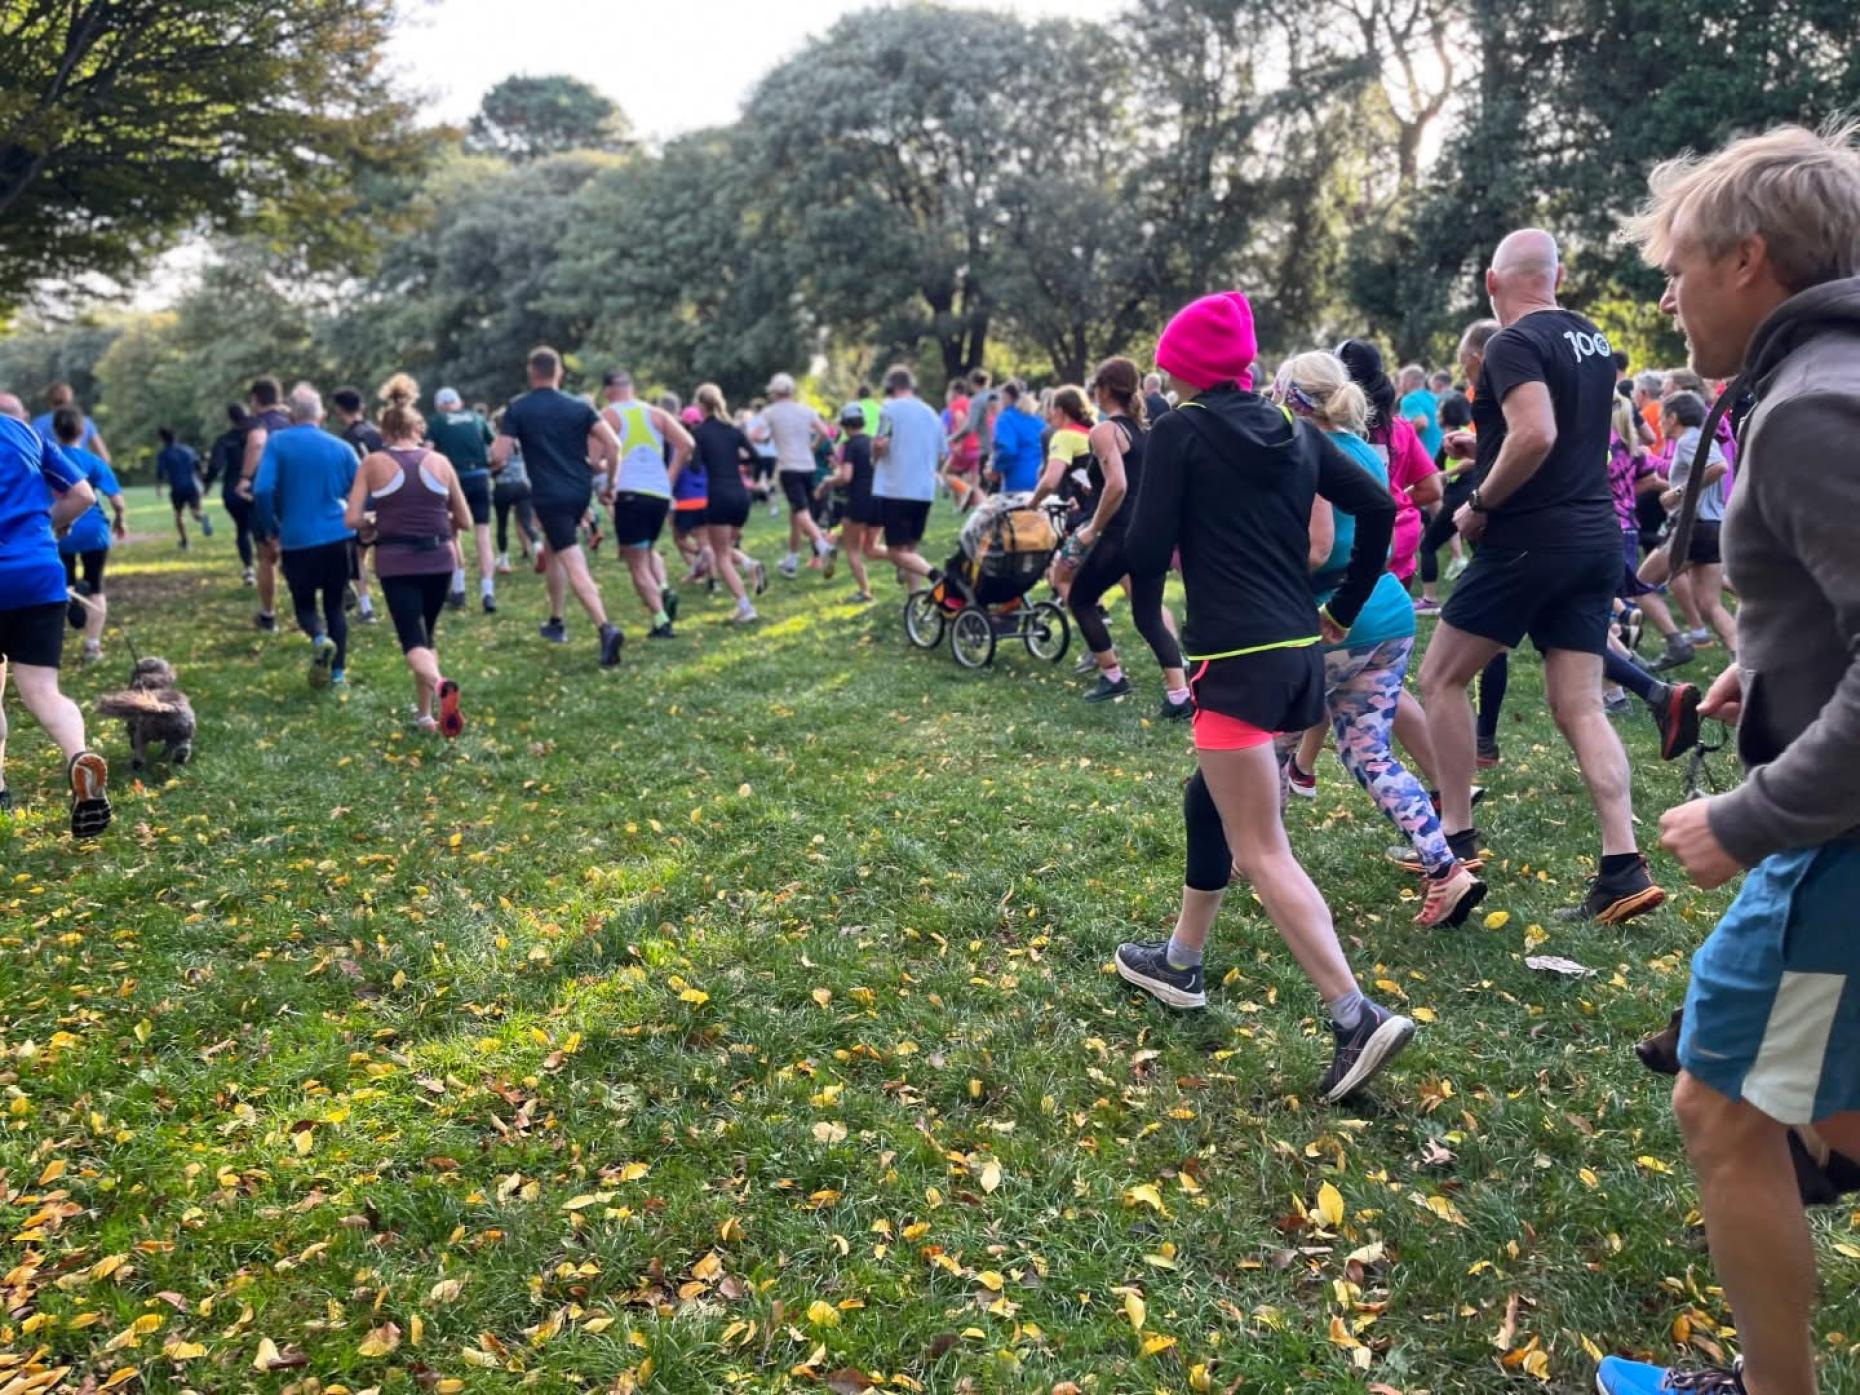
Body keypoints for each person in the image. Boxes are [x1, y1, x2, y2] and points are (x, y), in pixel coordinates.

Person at [1595, 121, 1860, 1395]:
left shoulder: (1814, 408)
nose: (1665, 293)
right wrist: (1774, 656)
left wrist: (1750, 816)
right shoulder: (1835, 381)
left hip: (1832, 846)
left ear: (1749, 260)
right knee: (1806, 1098)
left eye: (1679, 265)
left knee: (1725, 1106)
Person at [1113, 290, 1414, 1104]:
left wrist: (1150, 606)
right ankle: (1180, 960)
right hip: (1295, 660)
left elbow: (1143, 543)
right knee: (1207, 799)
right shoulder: (1296, 432)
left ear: (1188, 373)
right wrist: (1343, 609)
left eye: (1170, 371)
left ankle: (1355, 1015)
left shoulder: (1178, 432)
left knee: (1262, 847)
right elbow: (1381, 508)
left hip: (1234, 662)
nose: (1166, 384)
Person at [1417, 229, 1663, 924]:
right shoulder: (1590, 337)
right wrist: (1483, 446)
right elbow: (1562, 430)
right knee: (1579, 704)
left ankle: (1454, 842)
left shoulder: (1509, 342)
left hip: (1529, 538)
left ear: (1492, 283)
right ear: (1557, 276)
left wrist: (1478, 502)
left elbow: (1537, 434)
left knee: (1440, 678)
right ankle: (1624, 865)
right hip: (1594, 538)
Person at [1270, 350, 1486, 926]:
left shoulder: (1308, 452)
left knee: (1270, 742)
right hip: (1386, 613)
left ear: (1292, 398)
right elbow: (1382, 537)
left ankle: (1259, 857)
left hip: (1331, 617)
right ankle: (1447, 869)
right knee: (1369, 753)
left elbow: (1317, 547)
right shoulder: (1366, 449)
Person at [0, 409, 109, 837]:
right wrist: (44, 527)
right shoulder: (22, 431)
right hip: (39, 572)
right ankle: (79, 757)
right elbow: (83, 495)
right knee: (44, 692)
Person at [1062, 358, 1190, 716]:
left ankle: (1113, 675)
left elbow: (1117, 485)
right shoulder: (1145, 429)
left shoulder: (1105, 432)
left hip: (1122, 533)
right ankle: (1179, 696)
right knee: (1147, 615)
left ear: (1103, 390)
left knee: (1081, 597)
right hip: (1153, 533)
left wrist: (1092, 529)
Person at [346, 376, 473, 736]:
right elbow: (463, 518)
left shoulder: (373, 463)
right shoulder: (440, 462)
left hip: (397, 560)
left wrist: (375, 519)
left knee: (412, 641)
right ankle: (425, 716)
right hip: (440, 559)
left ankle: (440, 686)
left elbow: (352, 518)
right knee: (427, 636)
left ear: (383, 430)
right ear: (417, 427)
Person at [490, 346, 625, 667]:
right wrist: (609, 485)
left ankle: (605, 627)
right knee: (553, 549)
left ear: (530, 372)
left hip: (550, 495)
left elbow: (499, 455)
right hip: (579, 491)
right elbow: (614, 444)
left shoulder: (519, 408)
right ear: (559, 372)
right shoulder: (578, 407)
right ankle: (556, 620)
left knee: (572, 559)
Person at [253, 384, 360, 688]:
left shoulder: (278, 443)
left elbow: (261, 489)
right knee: (335, 606)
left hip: (297, 538)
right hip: (338, 535)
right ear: (322, 415)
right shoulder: (341, 447)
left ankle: (319, 637)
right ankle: (338, 674)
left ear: (290, 415)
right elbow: (362, 489)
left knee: (304, 606)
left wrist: (271, 529)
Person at [600, 371, 695, 638]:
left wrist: (608, 482)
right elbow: (687, 443)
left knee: (636, 562)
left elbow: (596, 458)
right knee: (647, 549)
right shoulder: (656, 413)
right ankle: (662, 589)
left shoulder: (608, 416)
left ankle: (661, 620)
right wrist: (669, 476)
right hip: (659, 493)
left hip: (630, 492)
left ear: (608, 390)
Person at [1658, 389, 1737, 653]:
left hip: (1695, 527)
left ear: (1673, 417)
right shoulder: (1701, 438)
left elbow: (1719, 467)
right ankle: (1745, 660)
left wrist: (1677, 492)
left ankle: (1673, 644)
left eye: (1662, 417)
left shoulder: (1689, 440)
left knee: (1641, 584)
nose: (1659, 423)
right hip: (1711, 525)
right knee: (1709, 605)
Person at [51, 407, 125, 664]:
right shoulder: (93, 461)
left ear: (55, 430)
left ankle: (72, 597)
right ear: (82, 431)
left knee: (63, 584)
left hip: (61, 528)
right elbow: (116, 499)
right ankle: (92, 647)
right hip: (94, 529)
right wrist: (121, 520)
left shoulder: (47, 458)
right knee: (96, 586)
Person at [691, 384, 763, 624]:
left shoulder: (700, 433)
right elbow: (756, 456)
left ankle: (745, 607)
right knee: (725, 546)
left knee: (720, 555)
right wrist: (737, 460)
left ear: (702, 406)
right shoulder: (734, 430)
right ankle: (750, 564)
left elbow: (694, 466)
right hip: (741, 495)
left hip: (719, 494)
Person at [870, 365, 946, 588]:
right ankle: (915, 597)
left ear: (890, 388)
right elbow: (942, 451)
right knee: (911, 548)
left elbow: (881, 443)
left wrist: (874, 452)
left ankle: (936, 576)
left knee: (895, 552)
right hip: (924, 490)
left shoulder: (889, 410)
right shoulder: (931, 412)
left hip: (896, 488)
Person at [427, 387, 499, 614]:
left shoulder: (437, 422)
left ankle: (459, 588)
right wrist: (490, 468)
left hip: (454, 482)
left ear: (439, 405)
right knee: (483, 536)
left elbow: (428, 452)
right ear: (459, 402)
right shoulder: (477, 418)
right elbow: (495, 446)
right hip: (480, 477)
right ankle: (488, 592)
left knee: (452, 534)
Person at [761, 373, 839, 579]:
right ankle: (792, 561)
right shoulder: (806, 411)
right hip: (808, 466)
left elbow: (755, 435)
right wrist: (812, 447)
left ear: (774, 392)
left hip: (789, 466)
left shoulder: (771, 412)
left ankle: (823, 546)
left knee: (800, 511)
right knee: (796, 516)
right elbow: (826, 432)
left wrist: (765, 438)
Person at [236, 376, 290, 631]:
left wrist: (245, 478)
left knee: (267, 555)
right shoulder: (294, 420)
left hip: (268, 493)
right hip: (296, 492)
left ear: (256, 400)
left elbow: (257, 442)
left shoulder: (260, 423)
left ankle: (268, 615)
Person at [327, 387, 383, 625]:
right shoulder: (378, 433)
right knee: (385, 550)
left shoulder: (344, 441)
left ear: (339, 410)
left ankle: (366, 606)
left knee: (358, 554)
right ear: (361, 406)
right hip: (385, 497)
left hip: (361, 499)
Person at [822, 403, 878, 602]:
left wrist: (829, 481)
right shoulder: (873, 442)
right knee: (872, 548)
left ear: (845, 425)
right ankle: (903, 564)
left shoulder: (850, 445)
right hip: (878, 499)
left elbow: (846, 476)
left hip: (859, 499)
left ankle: (865, 591)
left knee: (852, 548)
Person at [210, 405, 256, 585]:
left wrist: (207, 483)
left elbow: (215, 465)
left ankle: (249, 568)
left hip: (232, 489)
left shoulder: (224, 440)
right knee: (261, 529)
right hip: (254, 486)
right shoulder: (257, 435)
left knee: (242, 529)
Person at [490, 416, 539, 571]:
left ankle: (504, 560)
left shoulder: (495, 443)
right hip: (523, 485)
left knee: (502, 524)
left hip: (503, 486)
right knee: (526, 522)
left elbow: (492, 464)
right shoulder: (520, 441)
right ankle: (538, 547)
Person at [155, 427, 212, 549]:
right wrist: (203, 481)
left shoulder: (164, 454)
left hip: (177, 487)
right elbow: (198, 466)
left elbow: (160, 472)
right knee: (195, 512)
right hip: (192, 485)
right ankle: (203, 518)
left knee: (179, 515)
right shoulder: (188, 450)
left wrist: (159, 488)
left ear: (162, 439)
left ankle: (185, 542)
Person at [988, 382, 1045, 494]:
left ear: (1006, 397)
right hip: (1040, 479)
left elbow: (1007, 450)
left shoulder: (1005, 419)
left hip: (1017, 479)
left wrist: (995, 469)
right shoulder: (1038, 420)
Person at [31, 383, 109, 461]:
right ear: (71, 399)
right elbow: (104, 456)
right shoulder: (84, 421)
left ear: (50, 401)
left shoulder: (37, 423)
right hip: (80, 468)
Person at [1397, 362, 1443, 461]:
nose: (1399, 385)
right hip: (1440, 455)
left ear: (1407, 381)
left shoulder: (1409, 399)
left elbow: (1421, 423)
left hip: (1425, 459)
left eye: (1400, 381)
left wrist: (1399, 437)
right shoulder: (1435, 398)